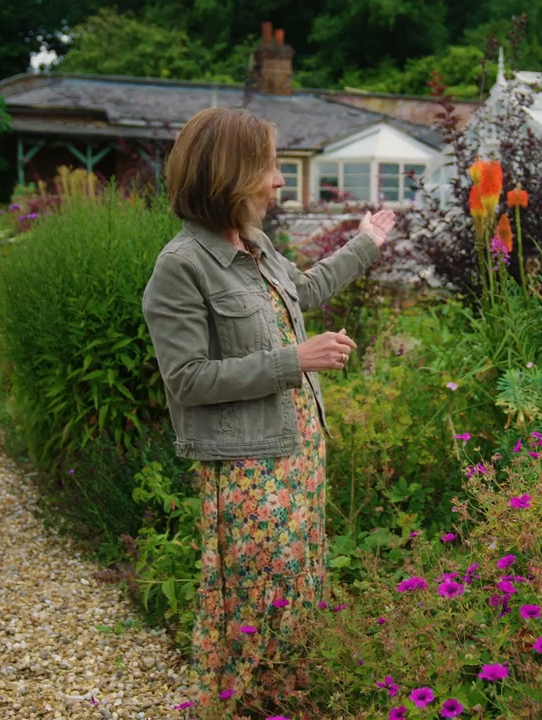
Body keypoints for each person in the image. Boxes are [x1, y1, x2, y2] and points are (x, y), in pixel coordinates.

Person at [141, 106, 397, 718]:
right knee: (257, 600)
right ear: (228, 175)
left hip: (300, 447)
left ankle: (289, 702)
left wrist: (365, 244)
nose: (280, 181)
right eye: (270, 167)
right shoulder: (181, 266)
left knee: (298, 586)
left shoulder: (252, 245)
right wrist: (293, 360)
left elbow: (301, 292)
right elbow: (186, 379)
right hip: (248, 460)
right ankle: (235, 707)